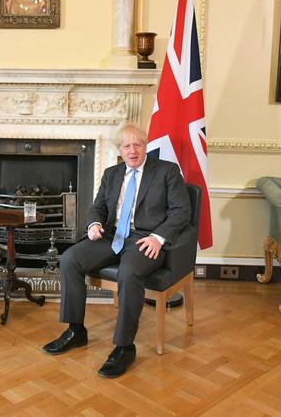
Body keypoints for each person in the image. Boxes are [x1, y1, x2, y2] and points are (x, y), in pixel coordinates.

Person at [42, 121, 191, 378]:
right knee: (69, 259)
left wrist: (158, 238)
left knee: (129, 272)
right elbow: (97, 206)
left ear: (145, 146)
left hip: (145, 239)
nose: (132, 150)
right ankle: (76, 330)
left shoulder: (167, 171)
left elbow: (181, 212)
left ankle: (124, 347)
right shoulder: (112, 174)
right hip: (112, 236)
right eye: (127, 145)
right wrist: (94, 224)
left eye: (137, 144)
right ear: (120, 150)